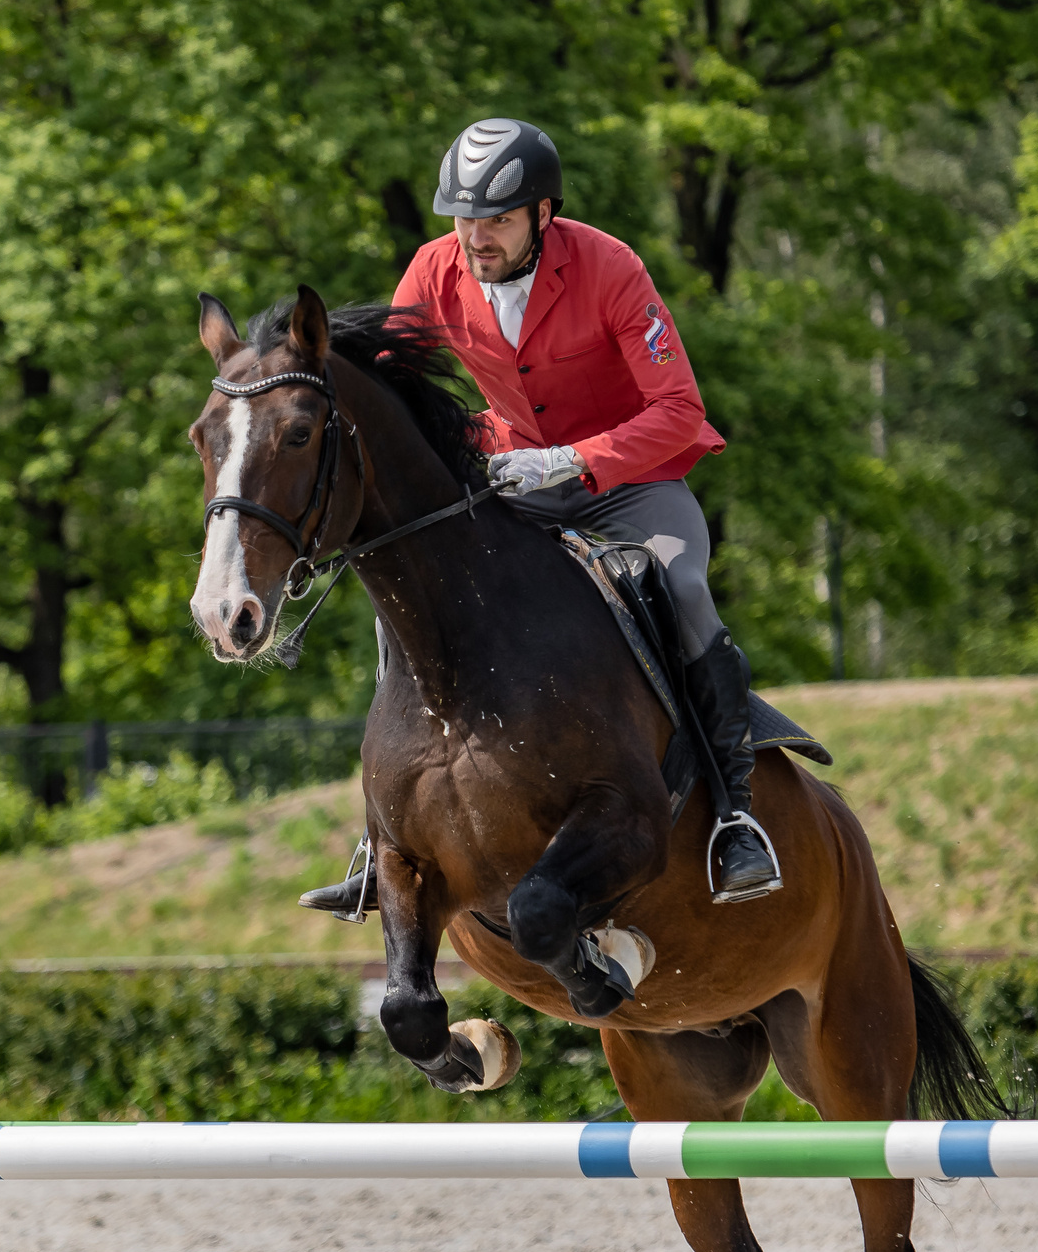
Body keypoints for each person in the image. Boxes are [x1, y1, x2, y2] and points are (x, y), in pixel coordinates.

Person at [299, 116, 781, 916]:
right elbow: (393, 400)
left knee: (685, 583)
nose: (475, 238)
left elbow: (677, 408)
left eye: (496, 220)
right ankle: (379, 834)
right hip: (511, 472)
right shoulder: (433, 269)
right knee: (407, 597)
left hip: (632, 478)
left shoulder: (612, 267)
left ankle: (734, 814)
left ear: (544, 214)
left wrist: (575, 460)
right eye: (463, 218)